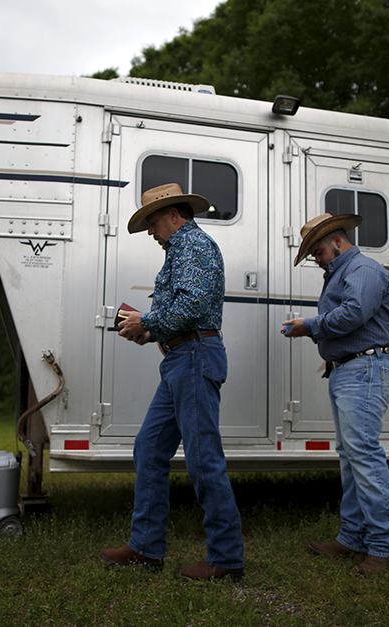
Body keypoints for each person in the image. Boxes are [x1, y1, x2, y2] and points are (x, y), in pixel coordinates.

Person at [99, 183, 244, 581]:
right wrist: (146, 330)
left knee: (202, 461)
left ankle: (226, 557)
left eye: (152, 221)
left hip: (194, 356)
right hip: (183, 356)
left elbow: (192, 304)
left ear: (174, 216)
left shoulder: (192, 245)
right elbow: (179, 308)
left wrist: (147, 322)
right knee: (149, 448)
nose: (149, 230)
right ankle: (145, 548)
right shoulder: (181, 250)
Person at [282, 212, 389, 576]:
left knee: (362, 454)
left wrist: (309, 326)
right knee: (352, 457)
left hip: (364, 368)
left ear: (337, 241)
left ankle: (384, 544)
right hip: (351, 369)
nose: (316, 259)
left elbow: (353, 314)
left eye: (317, 251)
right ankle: (352, 537)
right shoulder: (344, 273)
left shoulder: (363, 269)